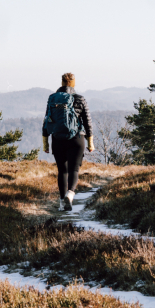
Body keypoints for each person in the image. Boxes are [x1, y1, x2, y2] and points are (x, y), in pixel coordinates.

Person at [42, 72, 94, 211]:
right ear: (73, 83)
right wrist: (90, 141)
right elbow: (87, 122)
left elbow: (47, 119)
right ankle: (70, 194)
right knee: (74, 170)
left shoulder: (52, 98)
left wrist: (45, 142)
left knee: (62, 171)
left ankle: (61, 202)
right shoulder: (80, 98)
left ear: (62, 82)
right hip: (76, 138)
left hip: (57, 138)